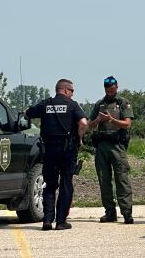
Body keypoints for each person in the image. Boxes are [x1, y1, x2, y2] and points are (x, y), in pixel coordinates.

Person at [25, 79, 88, 231]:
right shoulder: (73, 105)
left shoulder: (45, 104)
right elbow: (84, 123)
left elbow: (28, 113)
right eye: (72, 90)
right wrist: (79, 139)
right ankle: (61, 222)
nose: (72, 94)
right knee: (66, 183)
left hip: (49, 150)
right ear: (65, 90)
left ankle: (47, 220)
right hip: (68, 150)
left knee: (50, 184)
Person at [88, 76, 135, 224]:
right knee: (104, 180)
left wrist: (111, 120)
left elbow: (127, 124)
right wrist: (98, 120)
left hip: (117, 145)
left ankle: (126, 212)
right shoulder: (99, 104)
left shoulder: (123, 103)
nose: (110, 92)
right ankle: (109, 212)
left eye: (112, 90)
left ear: (117, 88)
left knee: (122, 179)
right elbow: (90, 125)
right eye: (107, 90)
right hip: (102, 145)